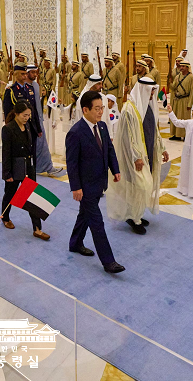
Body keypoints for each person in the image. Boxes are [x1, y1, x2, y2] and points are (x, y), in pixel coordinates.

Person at [65, 90, 125, 273]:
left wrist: (115, 170)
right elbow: (72, 164)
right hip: (85, 186)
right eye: (97, 108)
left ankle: (75, 243)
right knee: (97, 222)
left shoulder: (102, 127)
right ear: (85, 110)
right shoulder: (75, 133)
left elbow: (109, 150)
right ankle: (108, 262)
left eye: (102, 108)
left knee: (84, 215)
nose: (101, 112)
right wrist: (76, 187)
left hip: (99, 182)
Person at [107, 77, 169, 235]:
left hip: (148, 152)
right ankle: (134, 219)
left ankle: (137, 215)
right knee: (140, 186)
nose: (153, 94)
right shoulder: (129, 109)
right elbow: (128, 137)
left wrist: (162, 148)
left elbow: (154, 129)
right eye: (151, 91)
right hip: (135, 157)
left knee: (142, 187)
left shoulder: (148, 105)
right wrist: (136, 157)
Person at [1, 101, 50, 239]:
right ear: (16, 114)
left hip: (28, 166)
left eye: (29, 115)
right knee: (10, 194)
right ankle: (5, 217)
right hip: (15, 167)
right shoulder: (8, 129)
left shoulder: (28, 126)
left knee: (31, 196)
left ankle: (37, 228)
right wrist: (7, 173)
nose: (27, 118)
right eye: (24, 115)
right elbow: (6, 152)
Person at [167, 103, 193, 199]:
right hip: (186, 151)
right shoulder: (189, 122)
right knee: (185, 169)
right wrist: (171, 112)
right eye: (192, 111)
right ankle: (184, 189)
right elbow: (177, 122)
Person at [26, 64, 63, 176]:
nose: (35, 75)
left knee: (42, 144)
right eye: (32, 72)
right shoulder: (23, 87)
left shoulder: (36, 85)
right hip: (26, 121)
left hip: (38, 120)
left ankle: (48, 167)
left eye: (36, 72)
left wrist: (39, 119)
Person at [169, 61, 193, 141]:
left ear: (187, 67)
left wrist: (190, 104)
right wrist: (169, 82)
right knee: (176, 116)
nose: (181, 68)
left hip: (185, 100)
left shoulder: (191, 77)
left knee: (184, 118)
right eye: (181, 66)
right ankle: (176, 134)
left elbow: (192, 91)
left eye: (183, 66)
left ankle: (184, 135)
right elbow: (174, 87)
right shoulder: (178, 76)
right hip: (177, 100)